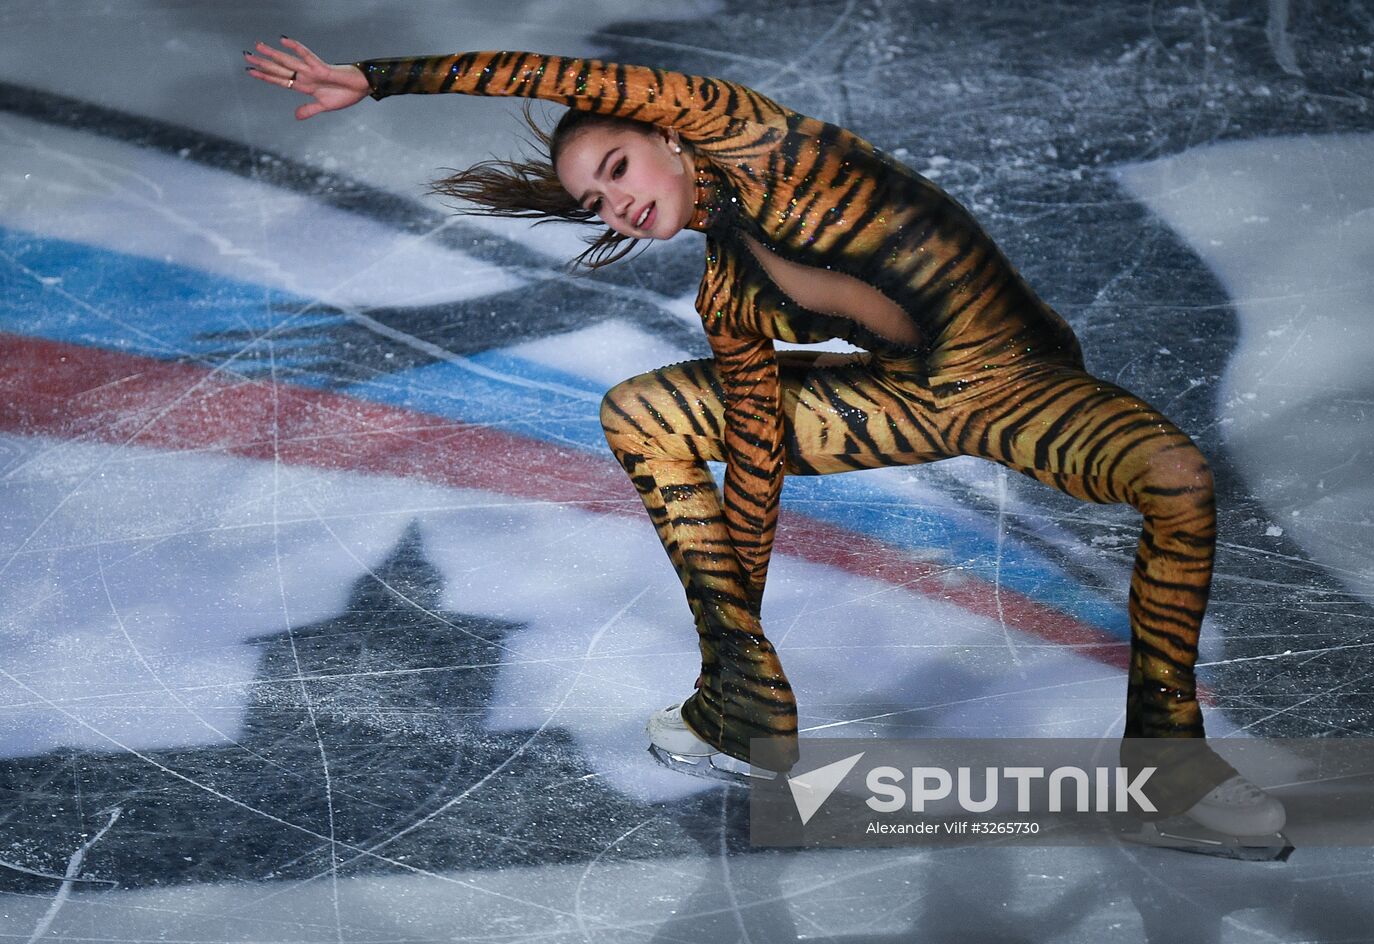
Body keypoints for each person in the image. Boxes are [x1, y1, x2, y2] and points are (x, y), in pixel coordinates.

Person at [244, 37, 1286, 843]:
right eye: (593, 200)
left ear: (666, 130)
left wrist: (376, 79)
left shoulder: (754, 137)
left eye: (615, 162)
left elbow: (547, 68)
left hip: (1013, 383)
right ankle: (742, 704)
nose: (614, 198)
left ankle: (1166, 764)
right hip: (894, 400)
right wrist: (738, 637)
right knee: (642, 410)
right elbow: (752, 467)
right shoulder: (727, 291)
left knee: (1171, 475)